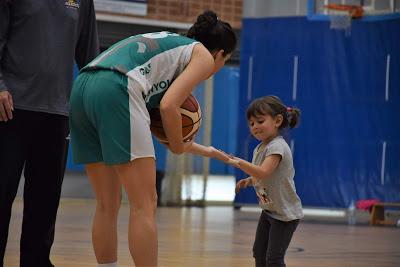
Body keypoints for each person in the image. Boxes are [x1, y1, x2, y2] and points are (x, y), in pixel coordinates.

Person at [68, 10, 236, 267]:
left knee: (106, 204)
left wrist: (202, 149)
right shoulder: (201, 54)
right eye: (226, 60)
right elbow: (169, 107)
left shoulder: (167, 48)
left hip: (82, 86)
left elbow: (151, 124)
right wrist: (179, 147)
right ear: (220, 54)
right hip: (118, 86)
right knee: (144, 205)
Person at [0, 0, 99, 266]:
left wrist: (96, 103)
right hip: (10, 108)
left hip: (56, 114)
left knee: (45, 200)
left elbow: (90, 58)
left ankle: (36, 262)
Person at [231, 96, 303, 267]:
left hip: (284, 216)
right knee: (259, 252)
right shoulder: (261, 146)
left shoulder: (277, 146)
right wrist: (249, 180)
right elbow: (264, 174)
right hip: (270, 210)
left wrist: (238, 162)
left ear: (278, 120)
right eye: (251, 124)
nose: (254, 127)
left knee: (274, 259)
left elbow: (263, 172)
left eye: (260, 121)